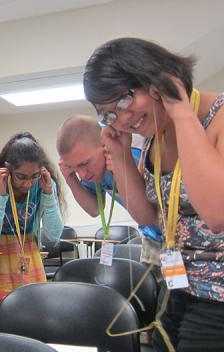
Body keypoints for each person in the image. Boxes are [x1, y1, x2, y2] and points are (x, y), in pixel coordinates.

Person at [83, 37, 224, 352]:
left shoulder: (218, 117)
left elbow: (217, 213)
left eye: (123, 101)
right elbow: (151, 218)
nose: (122, 120)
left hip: (218, 297)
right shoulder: (153, 139)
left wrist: (181, 111)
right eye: (108, 115)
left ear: (155, 78)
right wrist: (119, 157)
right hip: (176, 288)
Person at [0, 132, 64, 324]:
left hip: (26, 249)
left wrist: (47, 194)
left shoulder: (44, 183)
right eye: (21, 177)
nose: (28, 184)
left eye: (34, 176)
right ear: (8, 170)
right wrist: (1, 196)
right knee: (4, 320)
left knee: (33, 318)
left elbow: (54, 234)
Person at [56, 115, 162, 274]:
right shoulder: (94, 169)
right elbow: (94, 209)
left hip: (179, 235)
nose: (83, 174)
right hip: (151, 237)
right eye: (74, 168)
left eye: (84, 164)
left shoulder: (134, 154)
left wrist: (121, 169)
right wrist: (70, 178)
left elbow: (152, 208)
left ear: (105, 145)